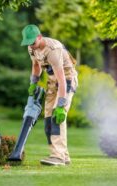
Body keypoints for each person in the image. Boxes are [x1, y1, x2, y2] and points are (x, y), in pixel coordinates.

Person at [21, 24, 78, 166]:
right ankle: (63, 156)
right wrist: (33, 82)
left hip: (66, 80)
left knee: (56, 117)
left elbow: (62, 80)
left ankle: (57, 156)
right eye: (28, 43)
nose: (31, 46)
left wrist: (61, 105)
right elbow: (36, 66)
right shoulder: (32, 47)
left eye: (33, 43)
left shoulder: (53, 50)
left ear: (39, 37)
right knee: (48, 121)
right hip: (52, 83)